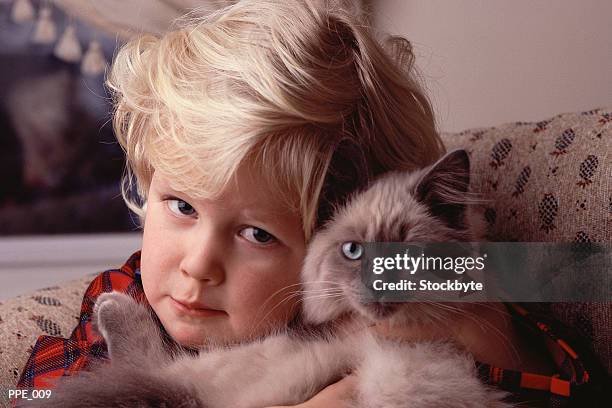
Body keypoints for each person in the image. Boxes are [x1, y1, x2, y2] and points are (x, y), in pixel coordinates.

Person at [16, 1, 604, 406]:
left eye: (257, 235)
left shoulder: (364, 304)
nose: (198, 265)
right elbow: (34, 393)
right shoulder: (123, 292)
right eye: (182, 207)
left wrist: (485, 326)